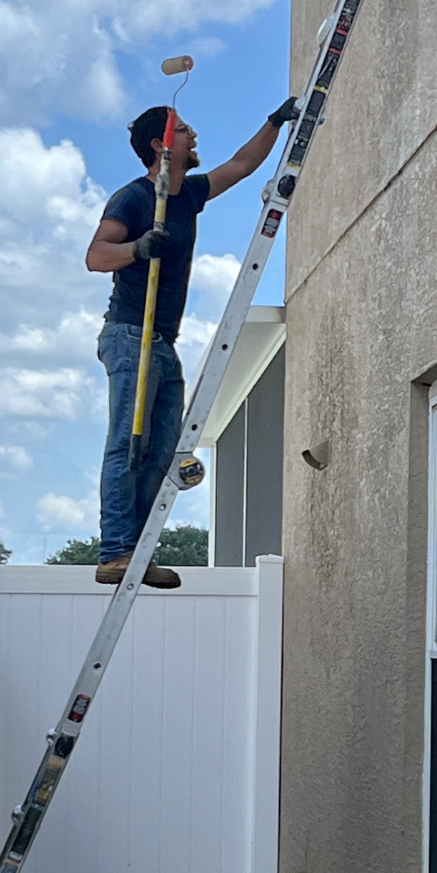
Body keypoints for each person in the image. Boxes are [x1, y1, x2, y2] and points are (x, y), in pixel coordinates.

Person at [86, 96, 298, 588]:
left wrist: (274, 122)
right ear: (162, 145)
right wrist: (137, 248)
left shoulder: (186, 196)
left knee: (165, 451)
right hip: (129, 335)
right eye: (183, 130)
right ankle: (115, 550)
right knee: (127, 442)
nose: (193, 136)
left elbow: (242, 166)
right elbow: (97, 256)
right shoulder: (135, 198)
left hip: (161, 341)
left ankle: (136, 553)